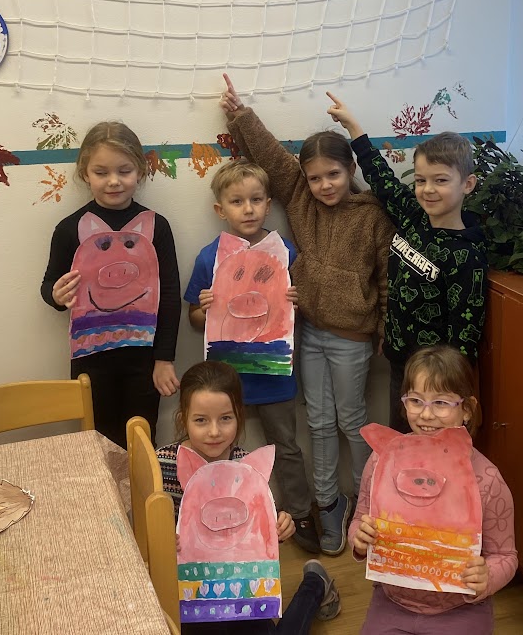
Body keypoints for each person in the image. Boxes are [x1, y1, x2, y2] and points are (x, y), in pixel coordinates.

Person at [220, 74, 395, 555]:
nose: (323, 185)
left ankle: (368, 503)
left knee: (352, 421)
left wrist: (382, 326)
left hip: (353, 337)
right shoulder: (299, 196)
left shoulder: (372, 214)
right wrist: (241, 115)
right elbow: (271, 155)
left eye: (332, 175)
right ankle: (328, 503)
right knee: (317, 422)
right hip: (308, 333)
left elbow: (386, 276)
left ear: (349, 169)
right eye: (315, 177)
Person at [326, 93, 488, 433]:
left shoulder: (467, 256)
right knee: (400, 444)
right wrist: (353, 127)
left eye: (441, 180)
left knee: (431, 450)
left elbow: (464, 337)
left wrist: (446, 394)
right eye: (421, 180)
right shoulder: (413, 217)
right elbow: (380, 177)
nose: (428, 189)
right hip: (400, 365)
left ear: (467, 184)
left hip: (437, 384)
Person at [183, 159, 320, 554]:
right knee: (220, 448)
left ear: (268, 204)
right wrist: (204, 308)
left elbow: (300, 313)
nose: (248, 209)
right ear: (220, 209)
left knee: (286, 446)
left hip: (275, 373)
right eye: (237, 201)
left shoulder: (285, 252)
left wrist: (297, 300)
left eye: (256, 200)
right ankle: (221, 514)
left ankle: (300, 512)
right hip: (227, 381)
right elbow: (193, 320)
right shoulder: (210, 258)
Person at [156, 361, 341, 634]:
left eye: (225, 418)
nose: (214, 431)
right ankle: (314, 584)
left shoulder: (247, 467)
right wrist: (161, 540)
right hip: (188, 591)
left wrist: (280, 528)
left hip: (243, 588)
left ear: (239, 417)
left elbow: (259, 529)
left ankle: (314, 585)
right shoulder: (163, 464)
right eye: (201, 420)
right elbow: (145, 535)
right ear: (184, 419)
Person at [349, 345, 517, 635]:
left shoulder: (486, 479)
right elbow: (358, 520)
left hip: (461, 609)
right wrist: (360, 539)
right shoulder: (382, 461)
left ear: (467, 409)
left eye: (441, 403)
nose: (426, 414)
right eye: (416, 400)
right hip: (393, 602)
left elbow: (506, 555)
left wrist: (487, 576)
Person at [40, 121, 181, 448]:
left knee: (141, 440)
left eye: (124, 171)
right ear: (85, 173)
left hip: (143, 359)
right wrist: (55, 295)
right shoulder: (69, 229)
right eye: (101, 172)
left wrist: (164, 359)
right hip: (90, 360)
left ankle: (140, 485)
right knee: (97, 442)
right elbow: (49, 285)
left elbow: (170, 296)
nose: (114, 181)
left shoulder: (157, 227)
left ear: (140, 171)